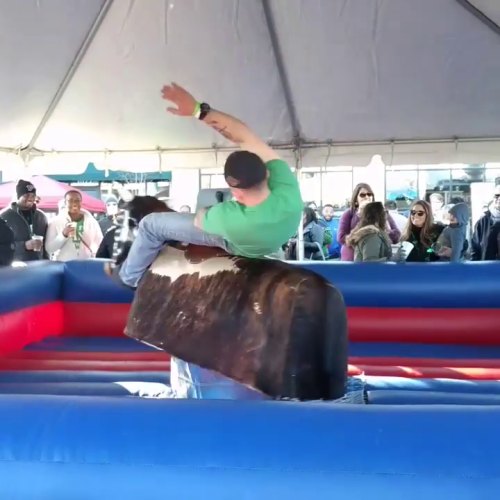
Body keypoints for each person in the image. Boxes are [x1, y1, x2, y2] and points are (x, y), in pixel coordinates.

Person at [118, 83, 303, 288]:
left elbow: (200, 219)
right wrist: (198, 110)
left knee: (150, 225)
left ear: (236, 193)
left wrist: (198, 110)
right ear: (267, 173)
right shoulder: (286, 185)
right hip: (275, 239)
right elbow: (244, 135)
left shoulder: (227, 217)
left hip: (240, 245)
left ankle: (129, 278)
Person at [337, 183, 400, 261]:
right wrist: (360, 215)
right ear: (356, 199)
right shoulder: (349, 214)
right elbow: (341, 238)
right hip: (352, 258)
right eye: (362, 195)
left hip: (377, 257)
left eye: (369, 194)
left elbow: (397, 235)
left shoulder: (381, 212)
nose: (367, 197)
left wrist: (382, 230)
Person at [45, 190, 103, 261]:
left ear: (81, 202)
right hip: (64, 264)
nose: (74, 203)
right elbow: (49, 249)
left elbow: (100, 244)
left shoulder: (92, 222)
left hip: (86, 263)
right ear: (65, 203)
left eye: (77, 200)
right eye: (70, 201)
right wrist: (63, 235)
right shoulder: (55, 222)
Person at [0, 180, 48, 262]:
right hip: (14, 265)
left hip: (39, 265)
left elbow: (46, 244)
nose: (30, 198)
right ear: (18, 196)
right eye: (26, 195)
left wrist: (46, 261)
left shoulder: (41, 217)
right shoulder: (4, 216)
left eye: (33, 195)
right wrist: (24, 246)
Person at [471, 185, 500, 261]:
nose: (499, 198)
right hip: (487, 266)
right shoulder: (482, 222)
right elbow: (475, 248)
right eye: (497, 196)